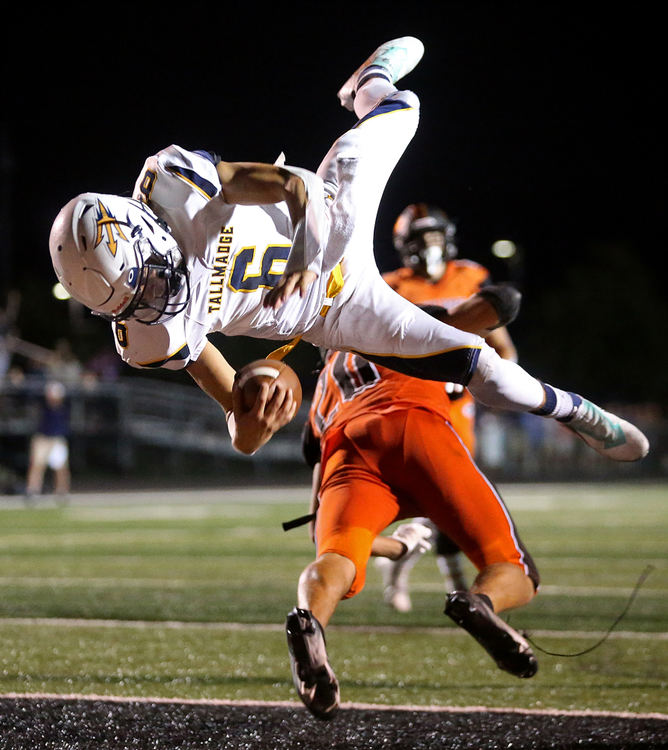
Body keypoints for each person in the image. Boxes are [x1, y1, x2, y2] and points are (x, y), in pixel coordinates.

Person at [48, 36, 648, 465]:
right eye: (136, 300)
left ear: (141, 225)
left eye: (149, 280)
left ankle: (368, 84)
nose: (155, 298)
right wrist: (256, 409)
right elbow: (241, 426)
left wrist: (308, 263)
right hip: (335, 314)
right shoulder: (149, 332)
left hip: (332, 223)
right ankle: (574, 411)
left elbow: (297, 185)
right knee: (482, 368)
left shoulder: (175, 184)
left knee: (405, 109)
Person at [287, 293, 540, 720]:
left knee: (336, 558)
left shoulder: (325, 387)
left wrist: (398, 547)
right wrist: (471, 310)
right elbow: (505, 301)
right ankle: (481, 603)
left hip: (347, 447)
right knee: (512, 566)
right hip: (418, 428)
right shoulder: (406, 321)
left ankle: (311, 622)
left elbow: (318, 531)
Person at [376, 203, 519, 611]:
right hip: (413, 406)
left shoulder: (470, 278)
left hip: (459, 411)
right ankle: (454, 590)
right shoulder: (392, 285)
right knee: (433, 502)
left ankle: (408, 570)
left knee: (448, 506)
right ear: (406, 246)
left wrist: (498, 385)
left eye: (436, 236)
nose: (431, 246)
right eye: (422, 239)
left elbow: (503, 347)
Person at [25, 380, 71, 502]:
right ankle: (33, 490)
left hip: (57, 439)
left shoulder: (64, 408)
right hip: (43, 438)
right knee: (37, 465)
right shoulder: (43, 405)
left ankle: (62, 491)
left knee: (61, 467)